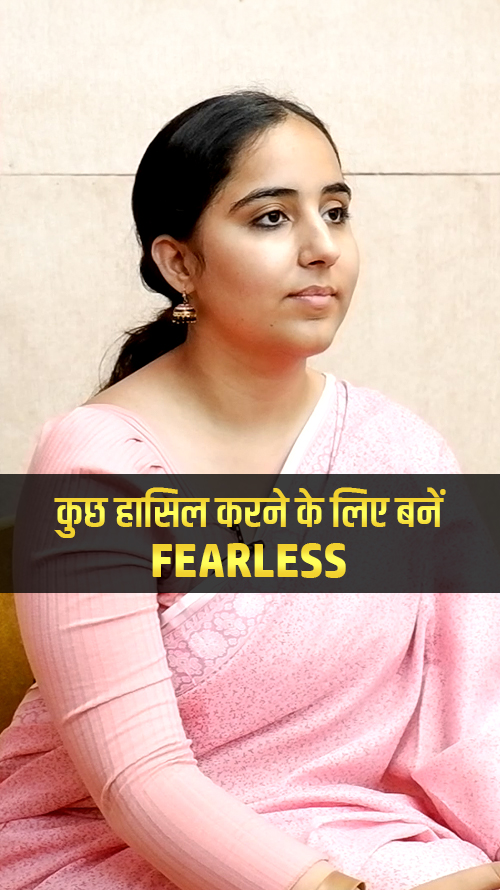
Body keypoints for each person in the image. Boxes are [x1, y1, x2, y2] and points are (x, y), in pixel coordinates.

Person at [1, 90, 499, 890]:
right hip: (114, 853)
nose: (322, 248)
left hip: (365, 834)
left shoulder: (400, 451)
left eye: (335, 212)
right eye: (271, 218)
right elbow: (138, 781)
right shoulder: (95, 465)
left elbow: (476, 709)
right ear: (179, 263)